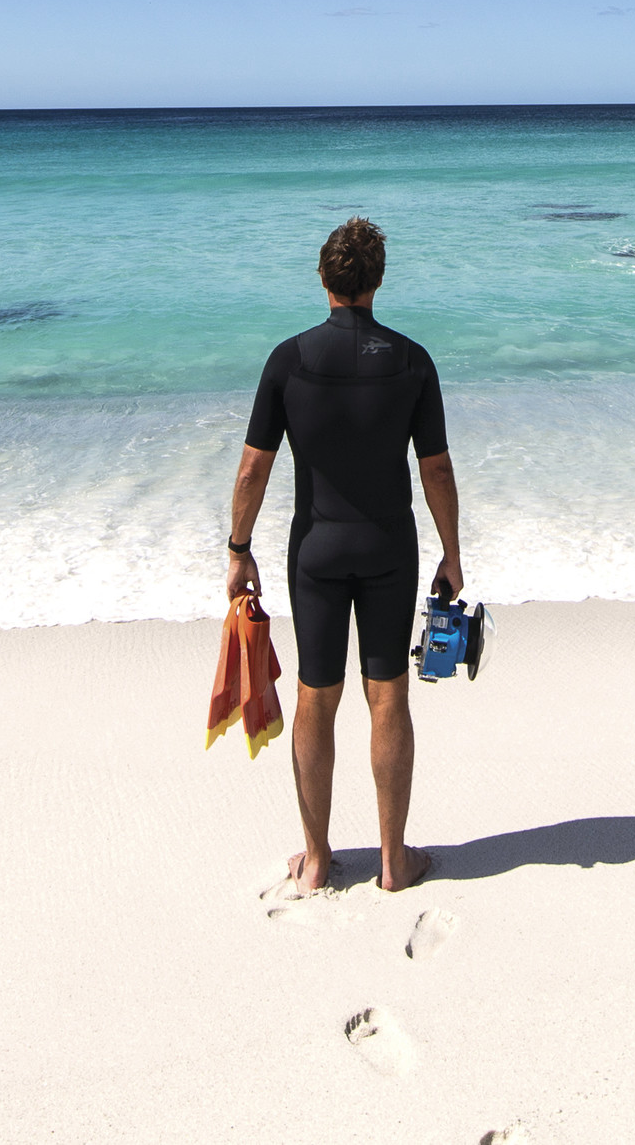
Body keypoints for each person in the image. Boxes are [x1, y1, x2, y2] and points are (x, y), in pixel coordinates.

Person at [223, 216, 461, 895]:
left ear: (323, 279)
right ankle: (393, 860)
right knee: (387, 695)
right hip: (388, 545)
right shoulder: (412, 360)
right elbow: (436, 471)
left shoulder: (288, 360)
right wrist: (450, 552)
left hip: (315, 549)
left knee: (314, 695)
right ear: (376, 280)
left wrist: (239, 549)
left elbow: (251, 473)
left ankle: (318, 858)